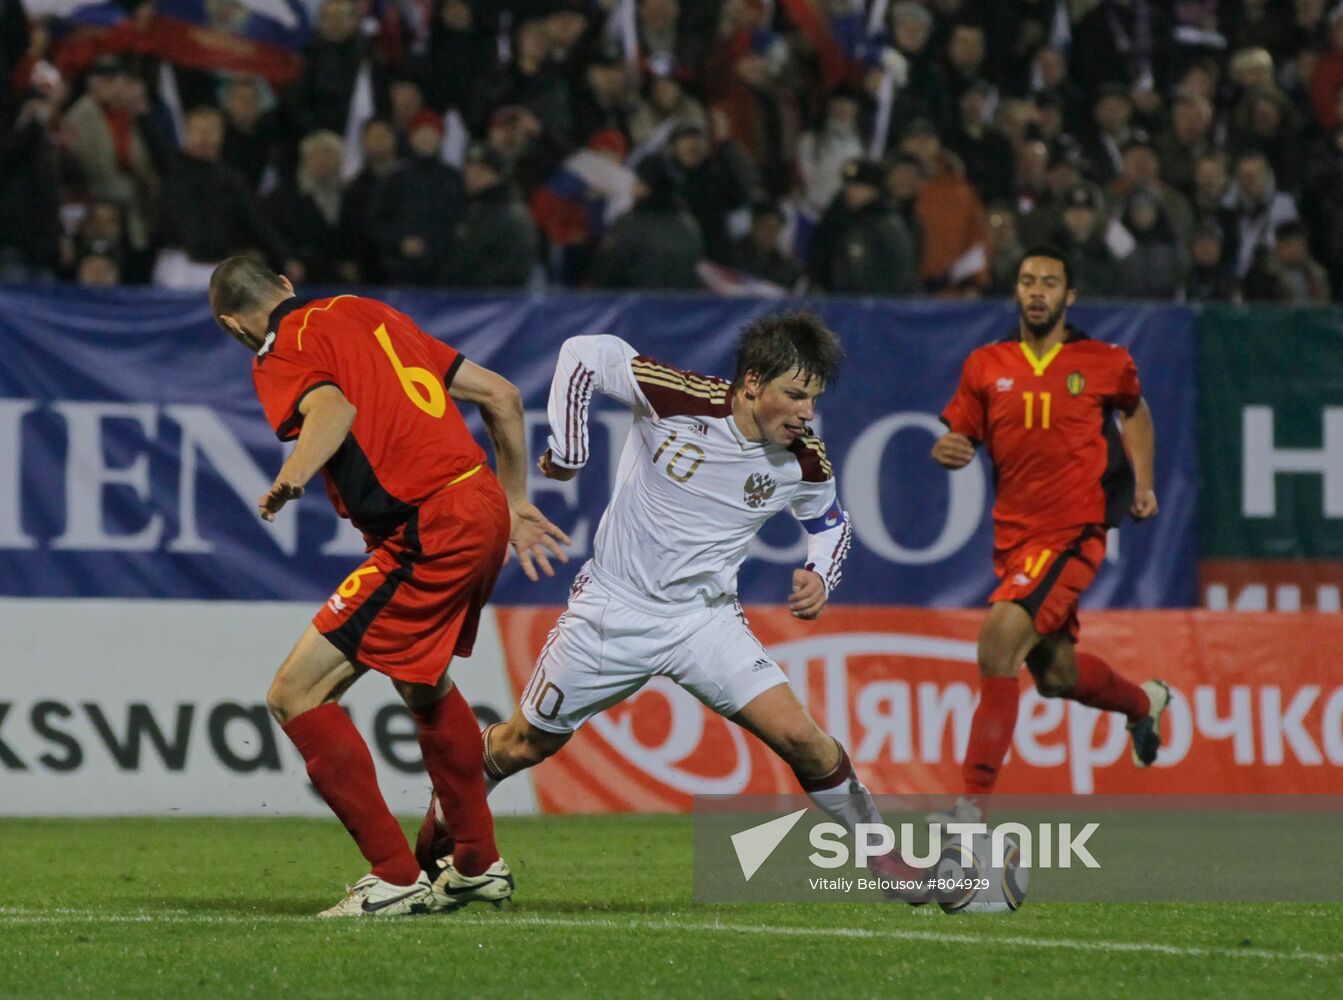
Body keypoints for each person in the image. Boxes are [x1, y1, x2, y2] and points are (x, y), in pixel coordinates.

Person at [412, 312, 925, 902]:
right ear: (753, 382)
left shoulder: (804, 460)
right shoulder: (676, 396)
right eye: (796, 394)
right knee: (522, 745)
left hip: (704, 620)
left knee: (803, 739)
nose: (808, 412)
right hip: (614, 610)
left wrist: (819, 573)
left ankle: (890, 865)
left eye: (813, 398)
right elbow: (583, 352)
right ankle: (433, 840)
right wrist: (572, 449)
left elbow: (829, 524)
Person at [207, 257, 570, 917]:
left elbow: (332, 410)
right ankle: (475, 863)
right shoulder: (365, 310)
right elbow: (503, 397)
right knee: (423, 685)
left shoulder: (277, 350)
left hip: (424, 524)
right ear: (287, 284)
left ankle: (394, 873)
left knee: (295, 695)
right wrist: (515, 501)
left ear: (232, 323)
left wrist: (292, 474)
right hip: (479, 505)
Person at [930, 246, 1170, 823]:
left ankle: (971, 809)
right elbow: (957, 436)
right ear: (1016, 292)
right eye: (1028, 281)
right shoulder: (986, 364)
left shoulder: (1105, 360)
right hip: (1015, 537)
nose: (1037, 291)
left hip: (1074, 531)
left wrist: (1142, 482)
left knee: (996, 643)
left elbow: (1134, 410)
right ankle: (1144, 703)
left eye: (1050, 283)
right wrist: (948, 450)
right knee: (1057, 676)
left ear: (1070, 296)